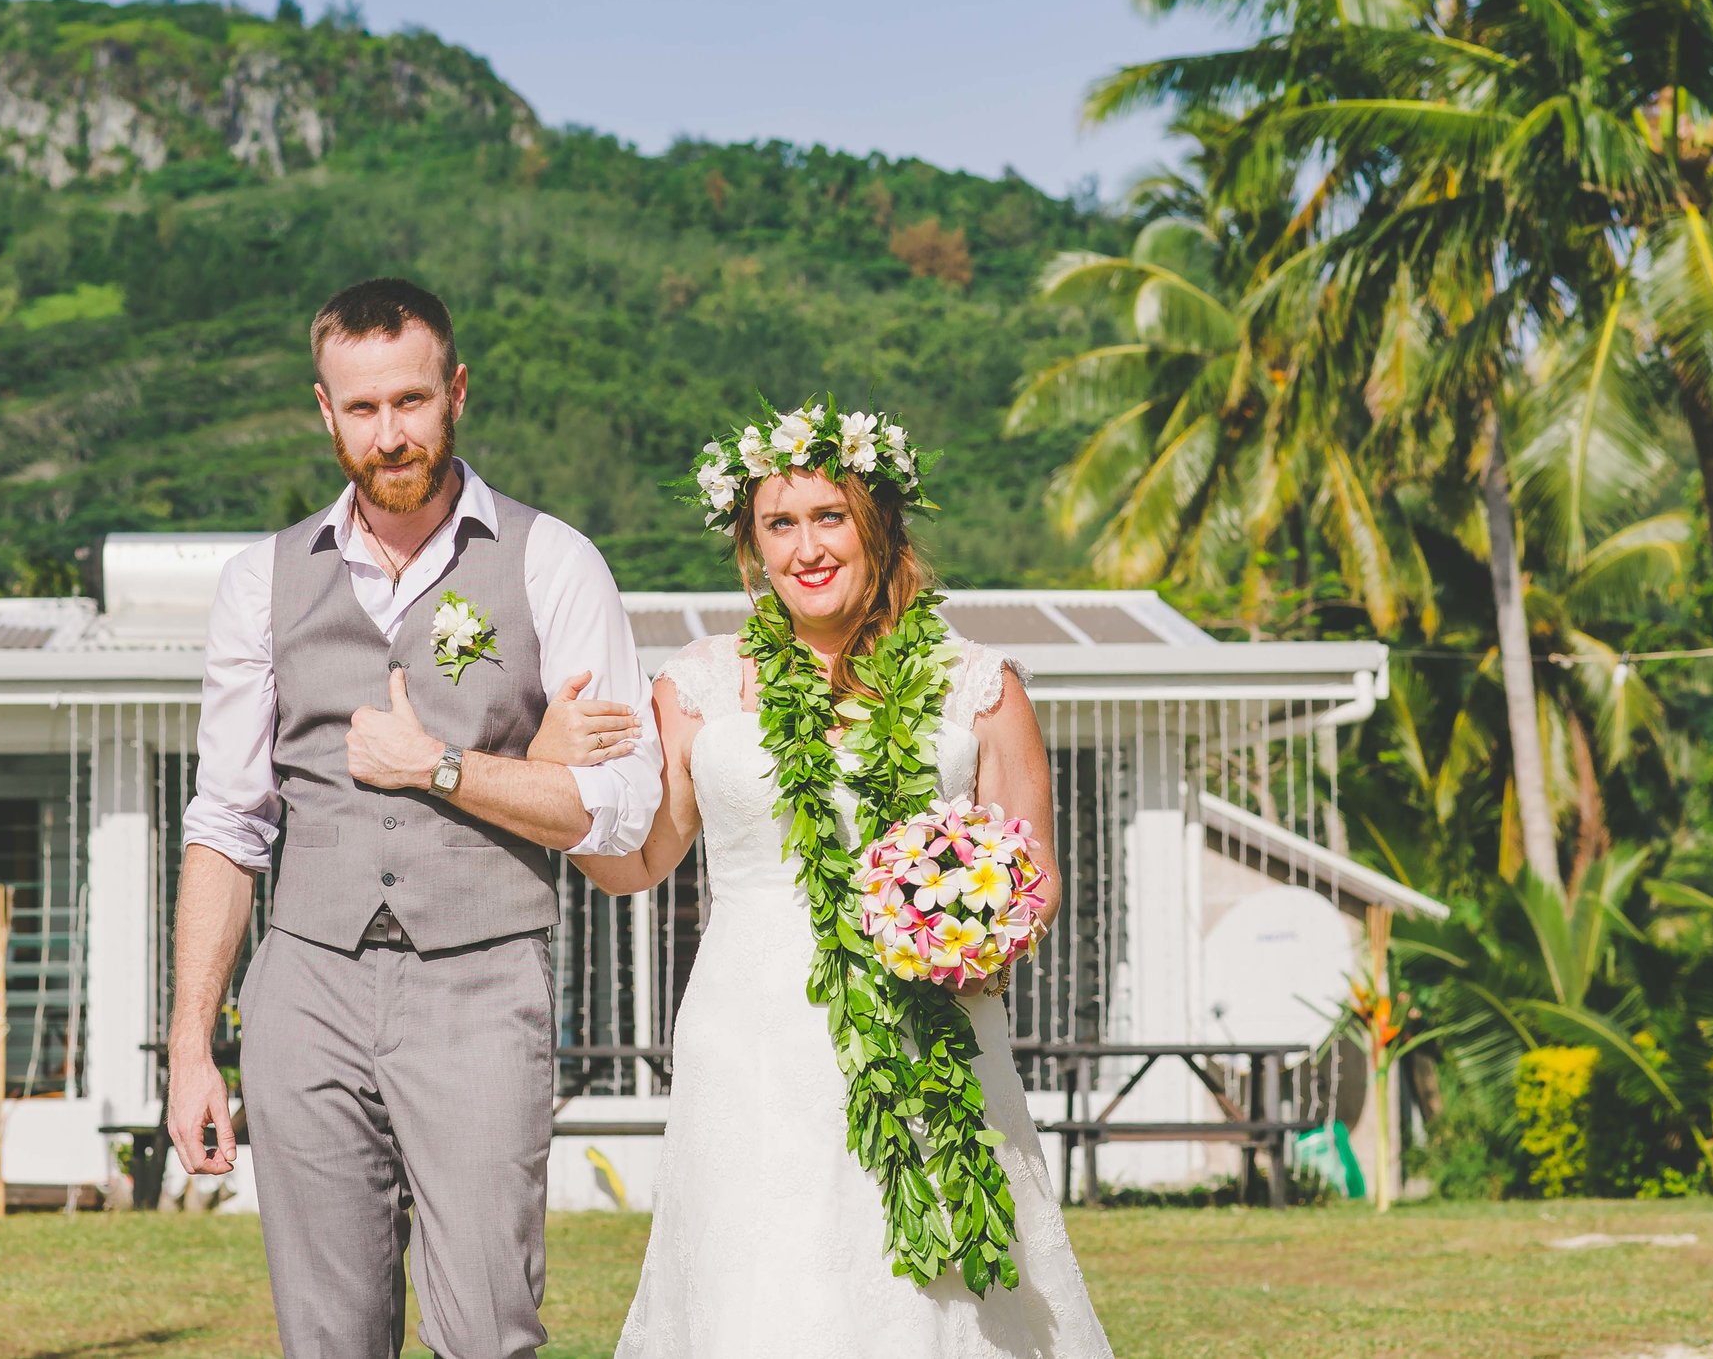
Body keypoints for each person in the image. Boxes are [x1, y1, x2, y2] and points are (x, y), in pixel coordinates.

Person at [165, 278, 662, 1359]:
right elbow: (228, 821)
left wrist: (439, 765)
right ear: (323, 410)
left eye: (411, 400)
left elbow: (619, 809)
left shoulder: (552, 560)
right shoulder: (259, 580)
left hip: (483, 981)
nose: (389, 434)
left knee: (487, 1324)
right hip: (305, 986)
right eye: (362, 408)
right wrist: (192, 1044)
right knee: (328, 1334)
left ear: (457, 392)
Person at [557, 401, 1115, 1358]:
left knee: (932, 1294)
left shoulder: (977, 683)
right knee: (760, 1289)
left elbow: (1037, 876)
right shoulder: (696, 684)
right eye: (781, 523)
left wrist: (974, 937)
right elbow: (635, 862)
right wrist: (551, 767)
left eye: (831, 517)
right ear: (752, 546)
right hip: (751, 1043)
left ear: (879, 525)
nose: (808, 547)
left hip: (929, 1034)